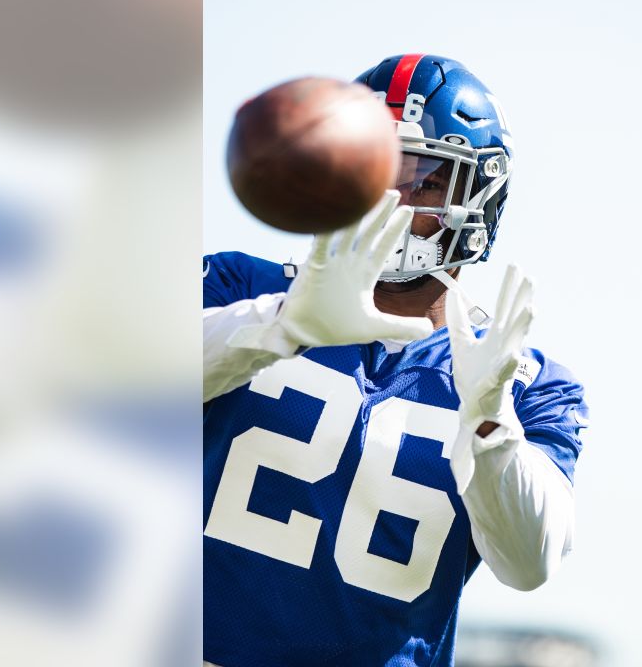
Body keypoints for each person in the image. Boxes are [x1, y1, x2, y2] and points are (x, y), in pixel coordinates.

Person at [202, 54, 589, 667]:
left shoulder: (525, 381)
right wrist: (282, 324)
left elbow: (528, 563)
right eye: (373, 176)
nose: (396, 201)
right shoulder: (241, 288)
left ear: (480, 197)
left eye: (428, 181)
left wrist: (491, 425)